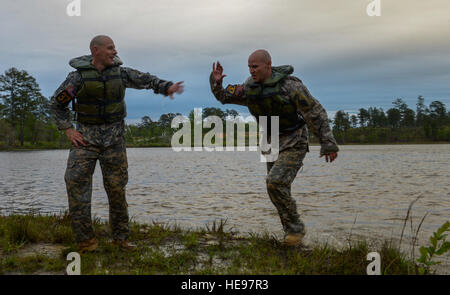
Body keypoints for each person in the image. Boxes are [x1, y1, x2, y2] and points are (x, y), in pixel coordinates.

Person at [50, 35, 184, 252]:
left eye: (114, 48)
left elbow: (146, 79)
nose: (115, 51)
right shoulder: (78, 79)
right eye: (110, 48)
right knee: (75, 184)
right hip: (85, 140)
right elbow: (57, 104)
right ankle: (86, 242)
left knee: (116, 189)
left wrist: (166, 87)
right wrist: (68, 129)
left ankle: (121, 239)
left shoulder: (121, 74)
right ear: (96, 50)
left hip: (114, 140)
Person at [209, 49, 338, 246]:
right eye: (249, 67)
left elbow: (314, 112)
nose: (252, 71)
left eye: (255, 66)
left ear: (268, 65)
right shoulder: (248, 88)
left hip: (294, 139)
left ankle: (295, 230)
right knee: (274, 188)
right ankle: (292, 233)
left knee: (275, 182)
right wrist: (216, 81)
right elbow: (224, 97)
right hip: (270, 140)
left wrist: (327, 143)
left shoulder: (290, 86)